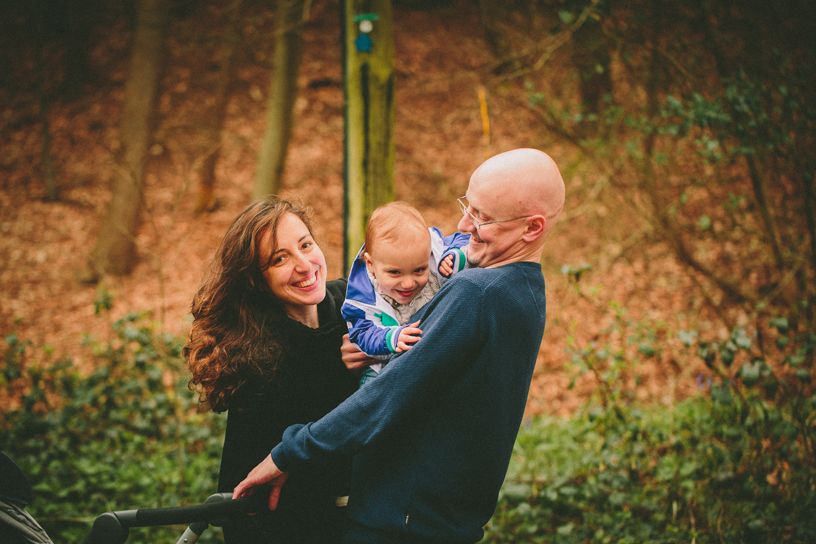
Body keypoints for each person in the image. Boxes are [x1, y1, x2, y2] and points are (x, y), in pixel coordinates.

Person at [233, 148, 567, 544]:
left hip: (401, 523)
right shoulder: (525, 291)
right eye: (468, 207)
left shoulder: (476, 294)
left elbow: (388, 394)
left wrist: (288, 454)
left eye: (481, 216)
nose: (463, 223)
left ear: (531, 228)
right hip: (446, 521)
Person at [184, 200, 362, 543]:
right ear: (255, 281)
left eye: (306, 245)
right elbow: (242, 490)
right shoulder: (262, 361)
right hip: (298, 527)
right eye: (279, 259)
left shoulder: (356, 307)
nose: (304, 264)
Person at [342, 201, 470, 386]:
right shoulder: (363, 299)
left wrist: (453, 257)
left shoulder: (434, 253)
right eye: (395, 272)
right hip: (383, 364)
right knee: (372, 388)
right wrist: (390, 338)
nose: (409, 283)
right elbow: (361, 333)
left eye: (419, 270)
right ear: (370, 265)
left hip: (435, 352)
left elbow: (465, 241)